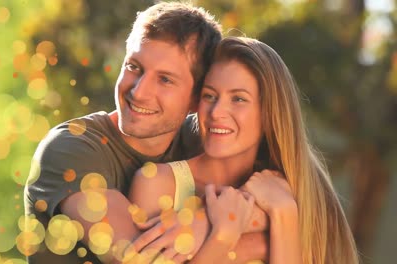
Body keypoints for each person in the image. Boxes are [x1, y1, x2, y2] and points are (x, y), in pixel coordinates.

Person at [24, 2, 267, 263]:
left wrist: (201, 224)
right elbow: (144, 259)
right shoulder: (71, 149)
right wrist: (253, 241)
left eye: (165, 79)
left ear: (197, 99)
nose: (138, 92)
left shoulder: (204, 141)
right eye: (133, 67)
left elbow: (283, 193)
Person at [129, 37, 360, 263]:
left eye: (238, 99)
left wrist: (284, 211)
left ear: (269, 114)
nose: (217, 112)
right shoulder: (158, 184)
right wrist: (230, 236)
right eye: (210, 96)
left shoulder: (293, 193)